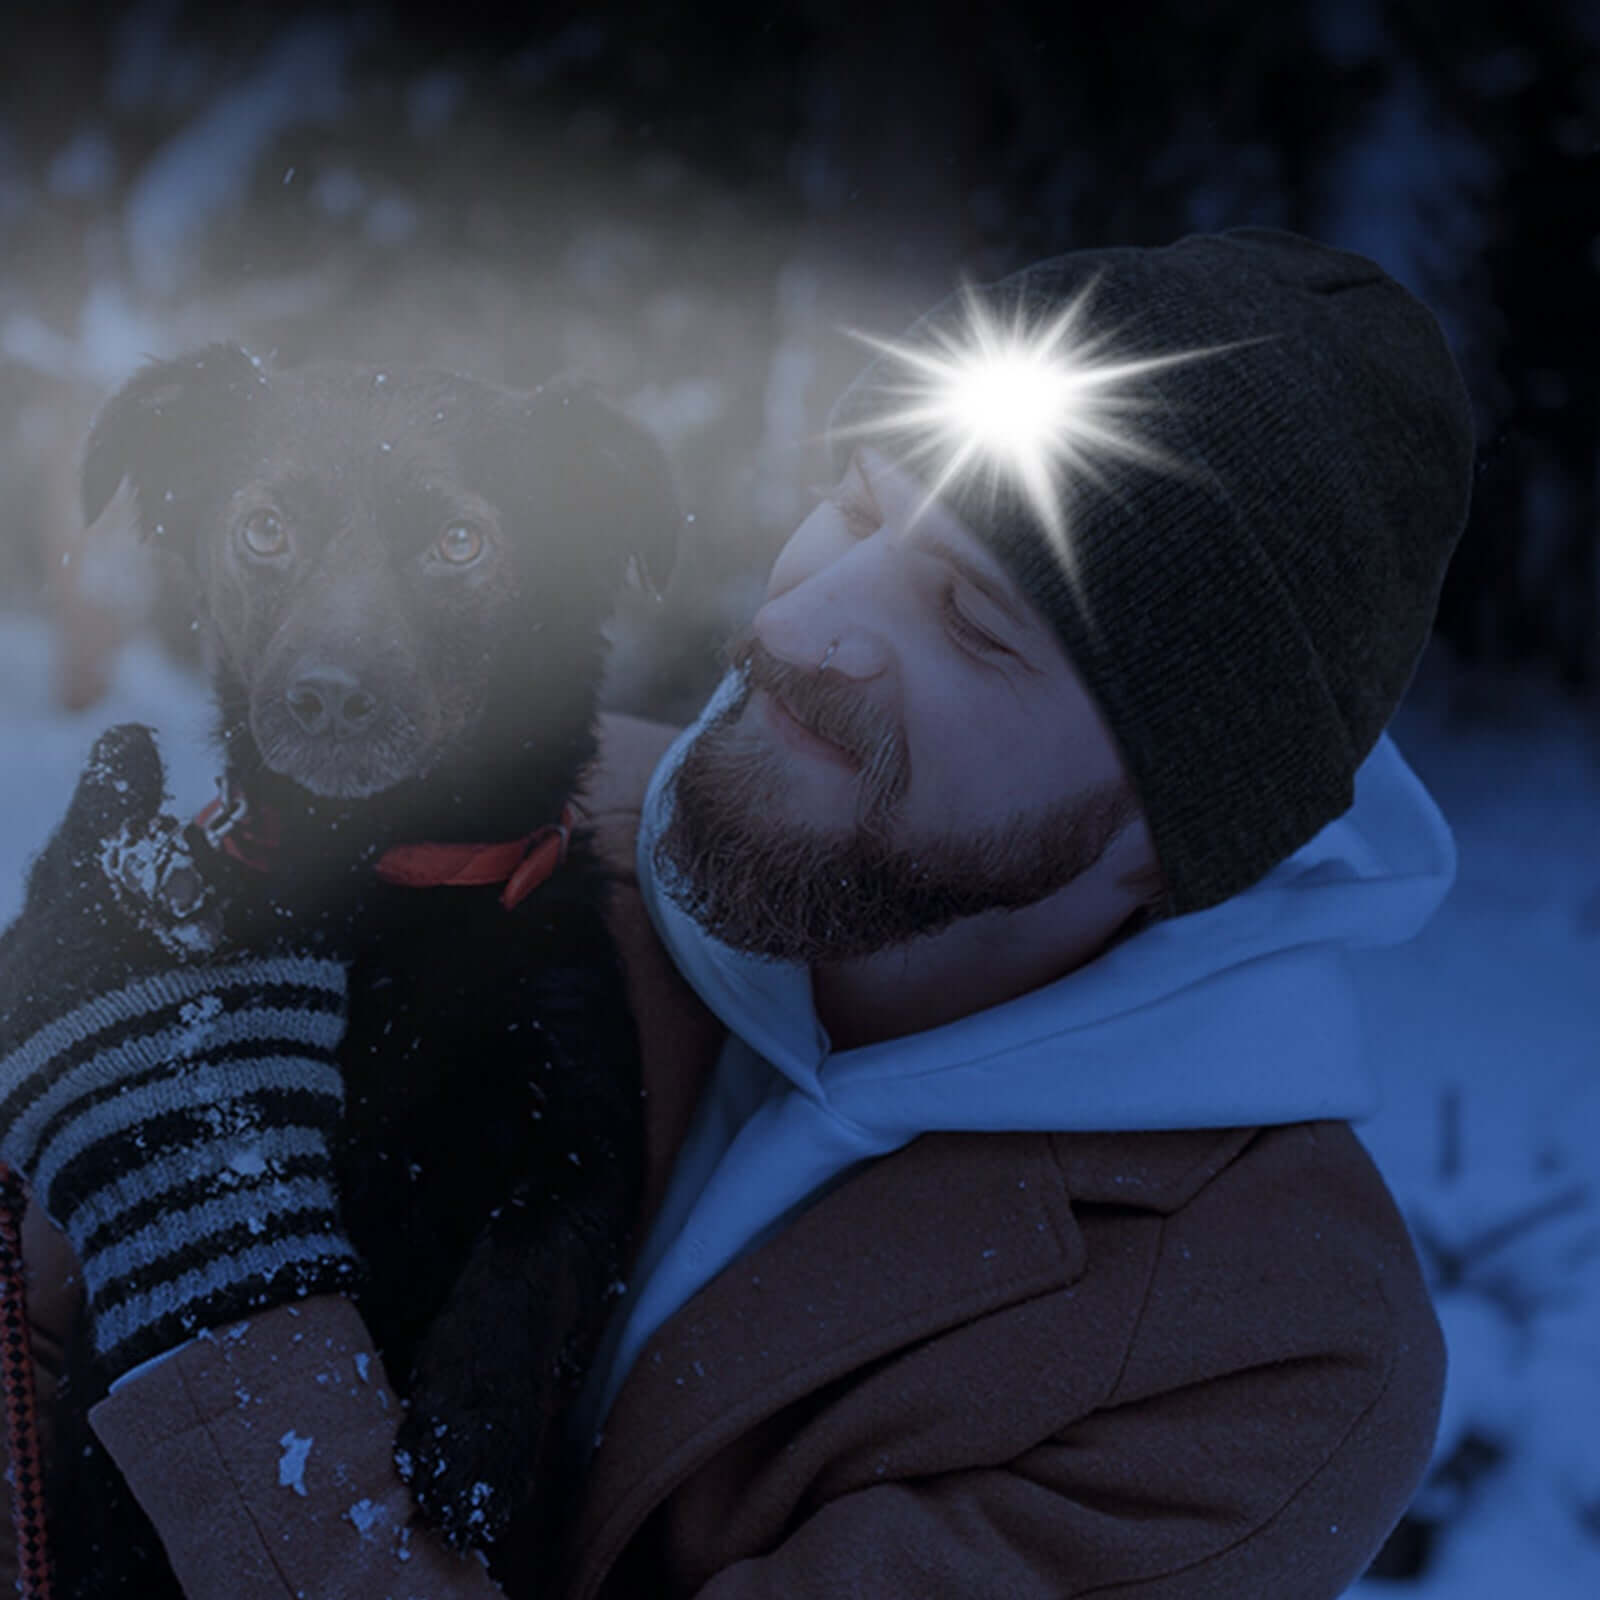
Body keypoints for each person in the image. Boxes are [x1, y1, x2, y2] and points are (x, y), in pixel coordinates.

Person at [0, 226, 1472, 1598]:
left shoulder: (1262, 1359)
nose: (801, 624)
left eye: (971, 623)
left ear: (1180, 826)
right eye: (857, 508)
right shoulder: (485, 846)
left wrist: (209, 1265)